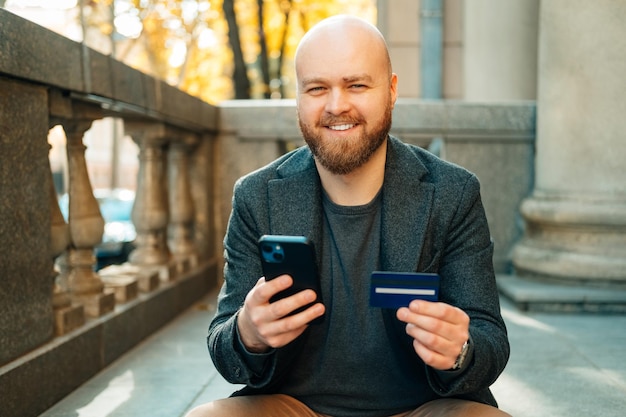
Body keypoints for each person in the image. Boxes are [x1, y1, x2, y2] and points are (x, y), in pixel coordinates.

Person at [186, 14, 510, 417]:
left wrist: (460, 349)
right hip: (295, 408)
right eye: (317, 88)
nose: (337, 105)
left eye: (356, 85)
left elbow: (490, 338)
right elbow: (223, 344)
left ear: (391, 91)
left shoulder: (453, 193)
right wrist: (247, 334)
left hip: (426, 407)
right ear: (299, 98)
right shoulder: (256, 196)